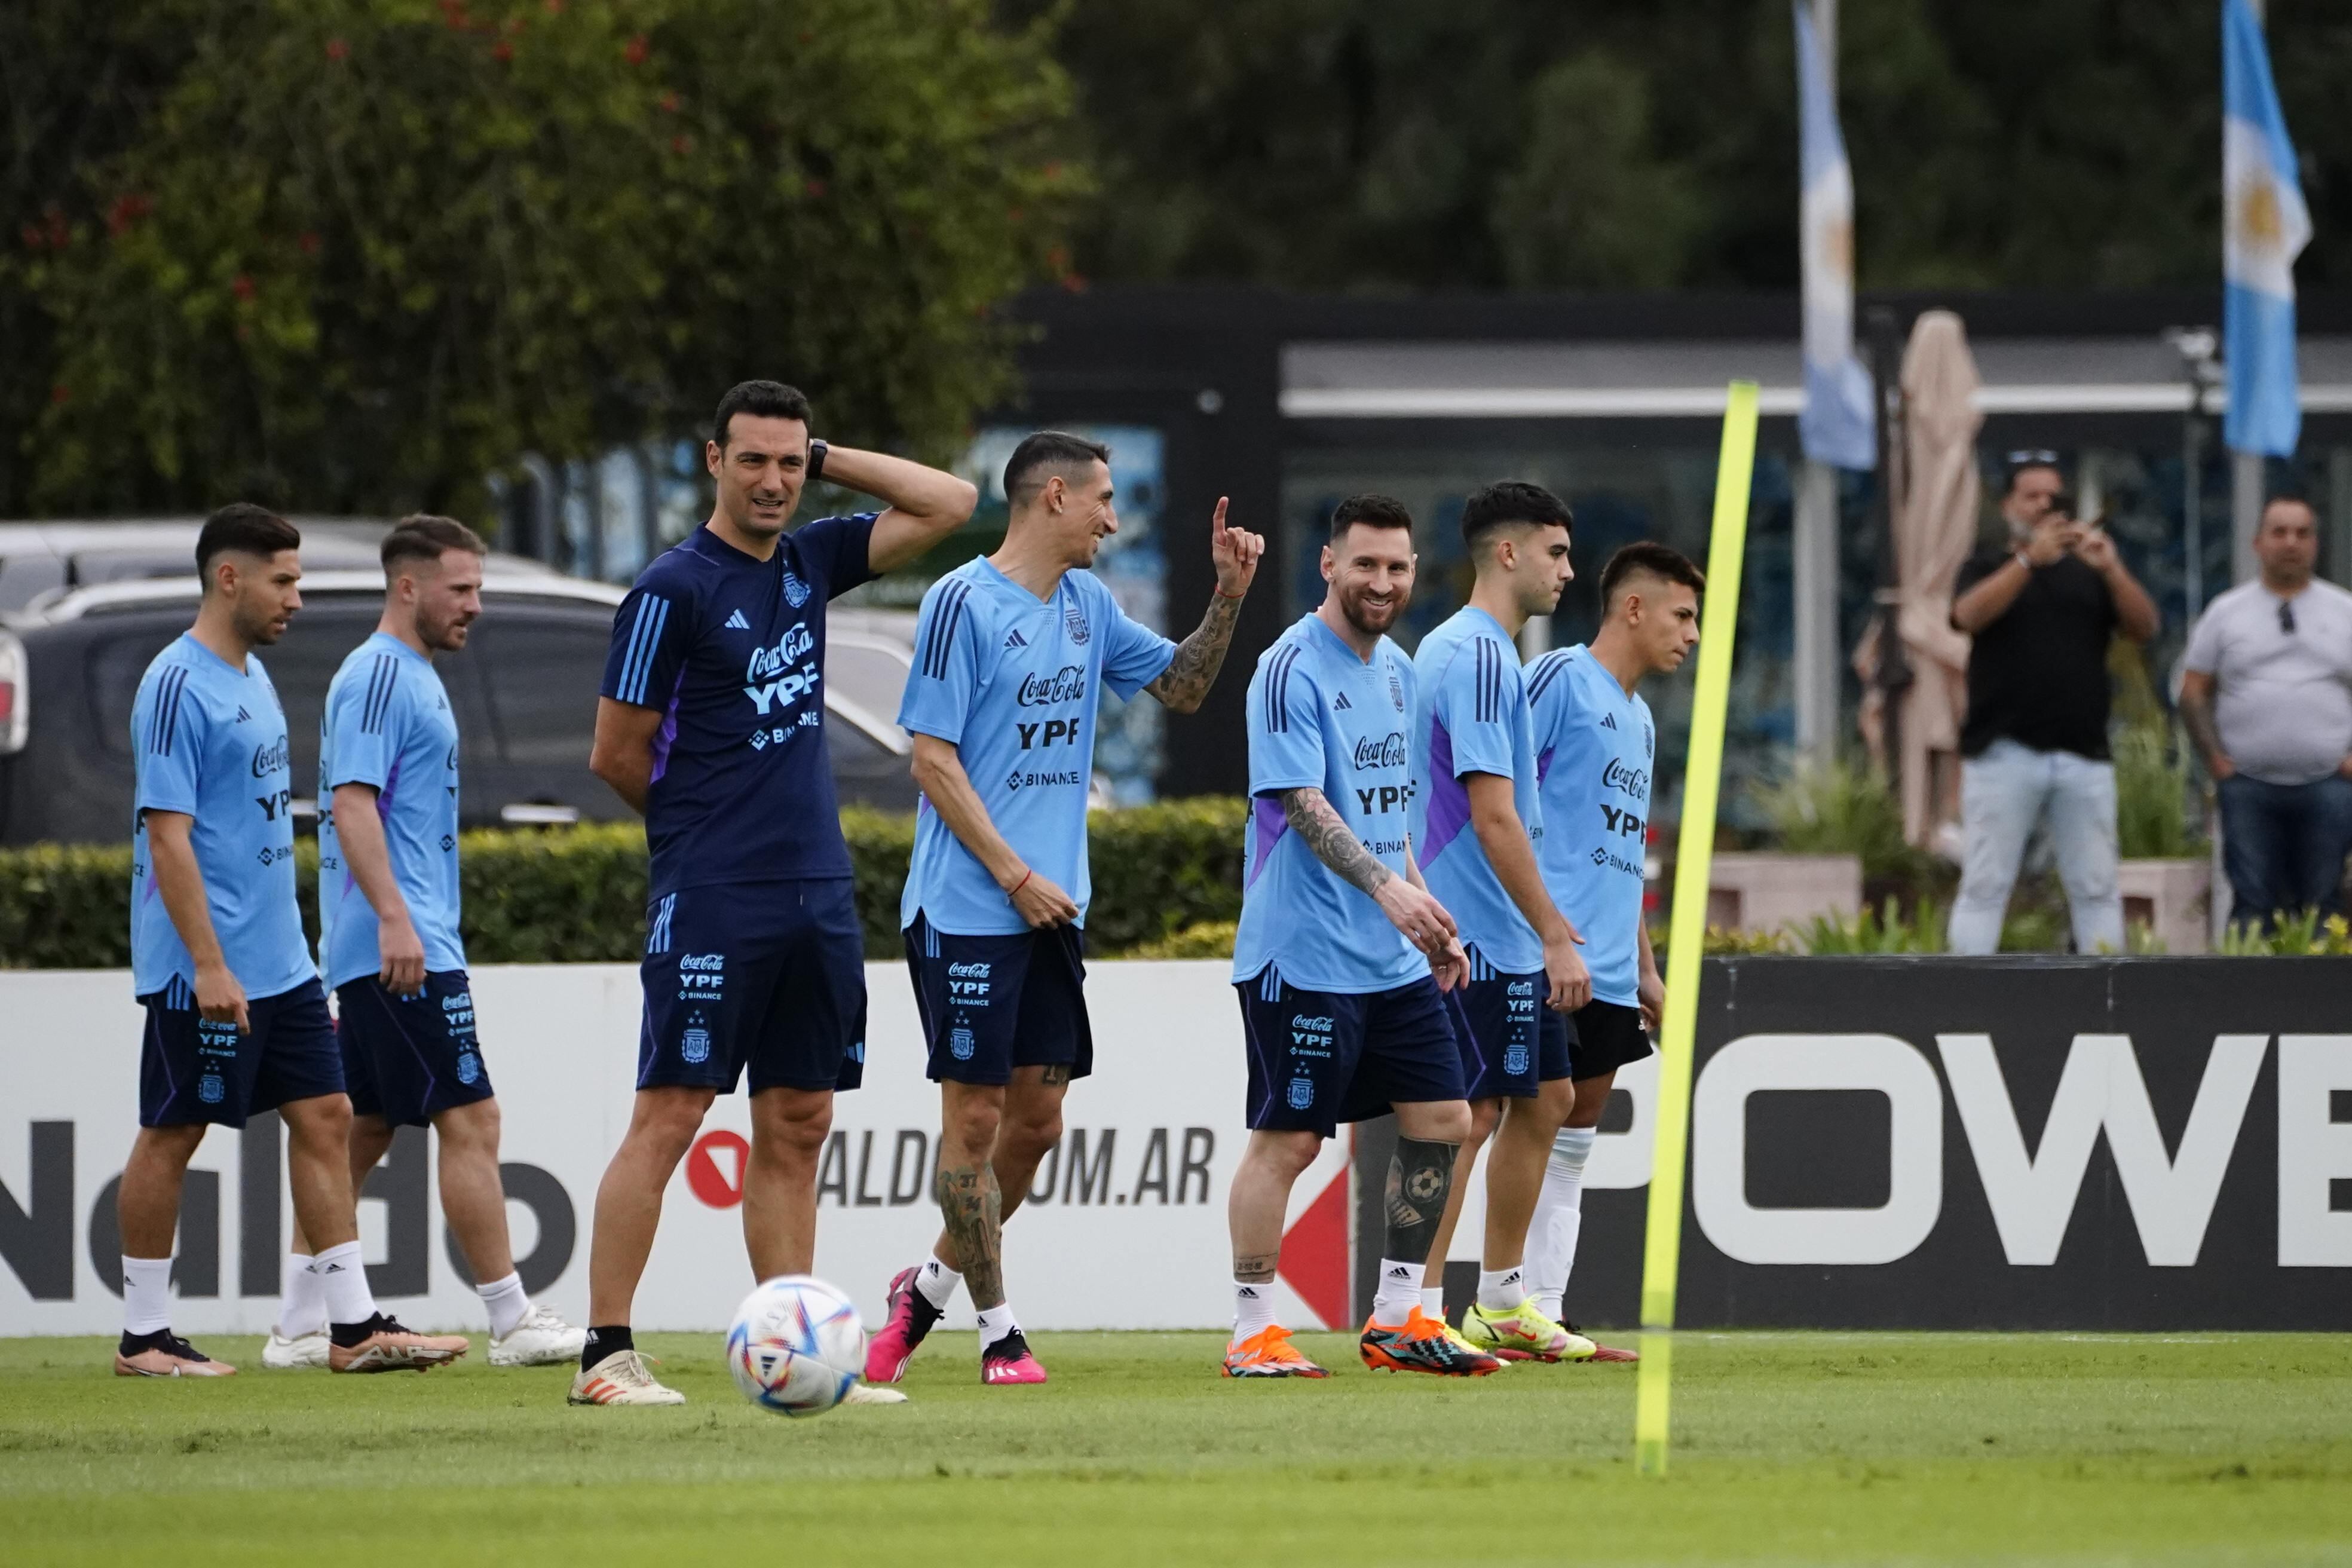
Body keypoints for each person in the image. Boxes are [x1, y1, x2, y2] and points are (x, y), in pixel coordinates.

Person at [571, 381, 976, 1407]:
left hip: (817, 892)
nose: (773, 479)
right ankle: (605, 1355)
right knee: (670, 1113)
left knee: (799, 1119)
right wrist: (697, 835)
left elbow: (950, 503)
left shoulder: (808, 558)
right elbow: (615, 752)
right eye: (752, 459)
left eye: (789, 461)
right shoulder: (672, 588)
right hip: (715, 890)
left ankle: (795, 1355)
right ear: (713, 461)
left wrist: (830, 453)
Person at [865, 431, 1261, 1387]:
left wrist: (1229, 597)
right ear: (1051, 497)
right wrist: (1011, 873)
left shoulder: (1087, 604)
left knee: (1037, 1128)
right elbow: (930, 760)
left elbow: (1185, 686)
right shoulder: (961, 602)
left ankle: (920, 1292)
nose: (1115, 521)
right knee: (973, 1124)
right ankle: (999, 1329)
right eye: (1104, 501)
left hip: (1050, 912)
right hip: (969, 907)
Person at [118, 504, 466, 1377]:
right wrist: (206, 963)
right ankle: (144, 1337)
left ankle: (350, 1328)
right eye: (283, 580)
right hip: (205, 966)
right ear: (228, 578)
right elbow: (167, 835)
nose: (298, 599)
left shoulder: (253, 678)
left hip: (286, 964)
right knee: (175, 1132)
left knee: (328, 1116)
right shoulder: (175, 684)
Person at [265, 516, 584, 1371]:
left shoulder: (411, 673)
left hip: (396, 939)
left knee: (363, 1132)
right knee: (472, 1117)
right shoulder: (378, 675)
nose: (475, 606)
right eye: (463, 589)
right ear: (409, 587)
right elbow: (353, 803)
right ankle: (512, 1319)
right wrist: (398, 919)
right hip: (401, 946)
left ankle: (299, 1321)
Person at [1217, 494, 1498, 1379]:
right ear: (1329, 565)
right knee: (1292, 1142)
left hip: (1387, 953)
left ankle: (1396, 1318)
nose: (1384, 582)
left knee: (1445, 1119)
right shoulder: (1287, 667)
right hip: (1300, 954)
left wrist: (1426, 914)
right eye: (1366, 564)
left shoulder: (1401, 672)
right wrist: (1390, 895)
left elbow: (1390, 819)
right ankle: (1254, 1330)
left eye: (1399, 567)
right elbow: (1304, 804)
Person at [1409, 480, 1594, 1364]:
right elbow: (1493, 815)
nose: (1569, 570)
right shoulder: (1480, 656)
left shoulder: (1475, 651)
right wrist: (1554, 931)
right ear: (1509, 553)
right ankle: (1419, 1310)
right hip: (1480, 934)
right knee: (1474, 1114)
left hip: (1499, 931)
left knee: (1545, 1097)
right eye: (1556, 552)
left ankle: (1501, 1300)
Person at [1520, 541, 1702, 1364]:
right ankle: (1439, 1306)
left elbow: (1622, 851)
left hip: (1612, 968)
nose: (1691, 634)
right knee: (1506, 1119)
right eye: (1682, 615)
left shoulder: (1640, 717)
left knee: (1576, 1133)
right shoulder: (1560, 680)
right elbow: (1491, 795)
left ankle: (1546, 1314)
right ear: (1634, 608)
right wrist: (1540, 927)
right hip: (1543, 950)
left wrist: (1648, 966)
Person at [1946, 461, 2158, 954]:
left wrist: (2113, 569)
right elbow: (1966, 616)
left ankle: (2107, 998)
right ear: (2009, 507)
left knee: (2096, 887)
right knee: (1985, 884)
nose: (2045, 507)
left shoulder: (2088, 574)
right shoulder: (1983, 567)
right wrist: (2026, 564)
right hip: (2002, 752)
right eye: (2032, 497)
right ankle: (1964, 996)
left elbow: (2144, 628)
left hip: (2083, 754)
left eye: (2053, 498)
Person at [2179, 497, 2352, 931]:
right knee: (2252, 903)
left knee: (2324, 903)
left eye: (2302, 533)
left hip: (2329, 784)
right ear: (2258, 543)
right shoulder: (2226, 612)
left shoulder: (2345, 611)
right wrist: (2215, 758)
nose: (2290, 543)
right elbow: (2193, 691)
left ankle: (2326, 999)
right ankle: (2250, 1000)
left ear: (2316, 544)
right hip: (2248, 787)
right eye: (2279, 532)